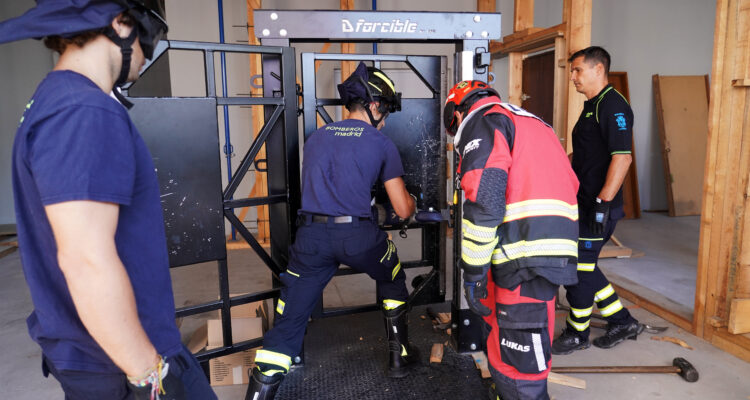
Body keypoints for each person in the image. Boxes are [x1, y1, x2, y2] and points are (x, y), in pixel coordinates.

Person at [1, 1, 216, 399]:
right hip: (120, 364)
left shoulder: (57, 100)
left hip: (102, 355)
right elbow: (85, 260)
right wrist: (149, 377)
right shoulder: (83, 110)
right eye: (148, 38)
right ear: (120, 23)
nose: (146, 57)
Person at [246, 61, 418, 400]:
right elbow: (402, 209)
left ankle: (259, 392)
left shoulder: (317, 138)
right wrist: (411, 201)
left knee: (289, 319)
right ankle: (400, 356)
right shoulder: (381, 143)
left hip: (310, 239)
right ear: (374, 105)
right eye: (385, 113)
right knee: (392, 271)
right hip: (359, 238)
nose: (384, 121)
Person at [444, 80, 579, 400]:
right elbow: (570, 182)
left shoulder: (484, 121)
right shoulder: (535, 125)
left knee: (517, 362)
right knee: (527, 345)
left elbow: (485, 201)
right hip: (548, 251)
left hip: (521, 256)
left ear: (457, 111)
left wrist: (473, 271)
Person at [552, 46, 643, 355]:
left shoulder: (614, 107)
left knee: (577, 271)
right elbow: (588, 151)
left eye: (578, 70)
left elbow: (623, 158)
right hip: (582, 200)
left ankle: (577, 333)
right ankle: (623, 321)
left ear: (598, 70)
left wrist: (603, 202)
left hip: (597, 206)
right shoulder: (592, 105)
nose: (573, 77)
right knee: (586, 266)